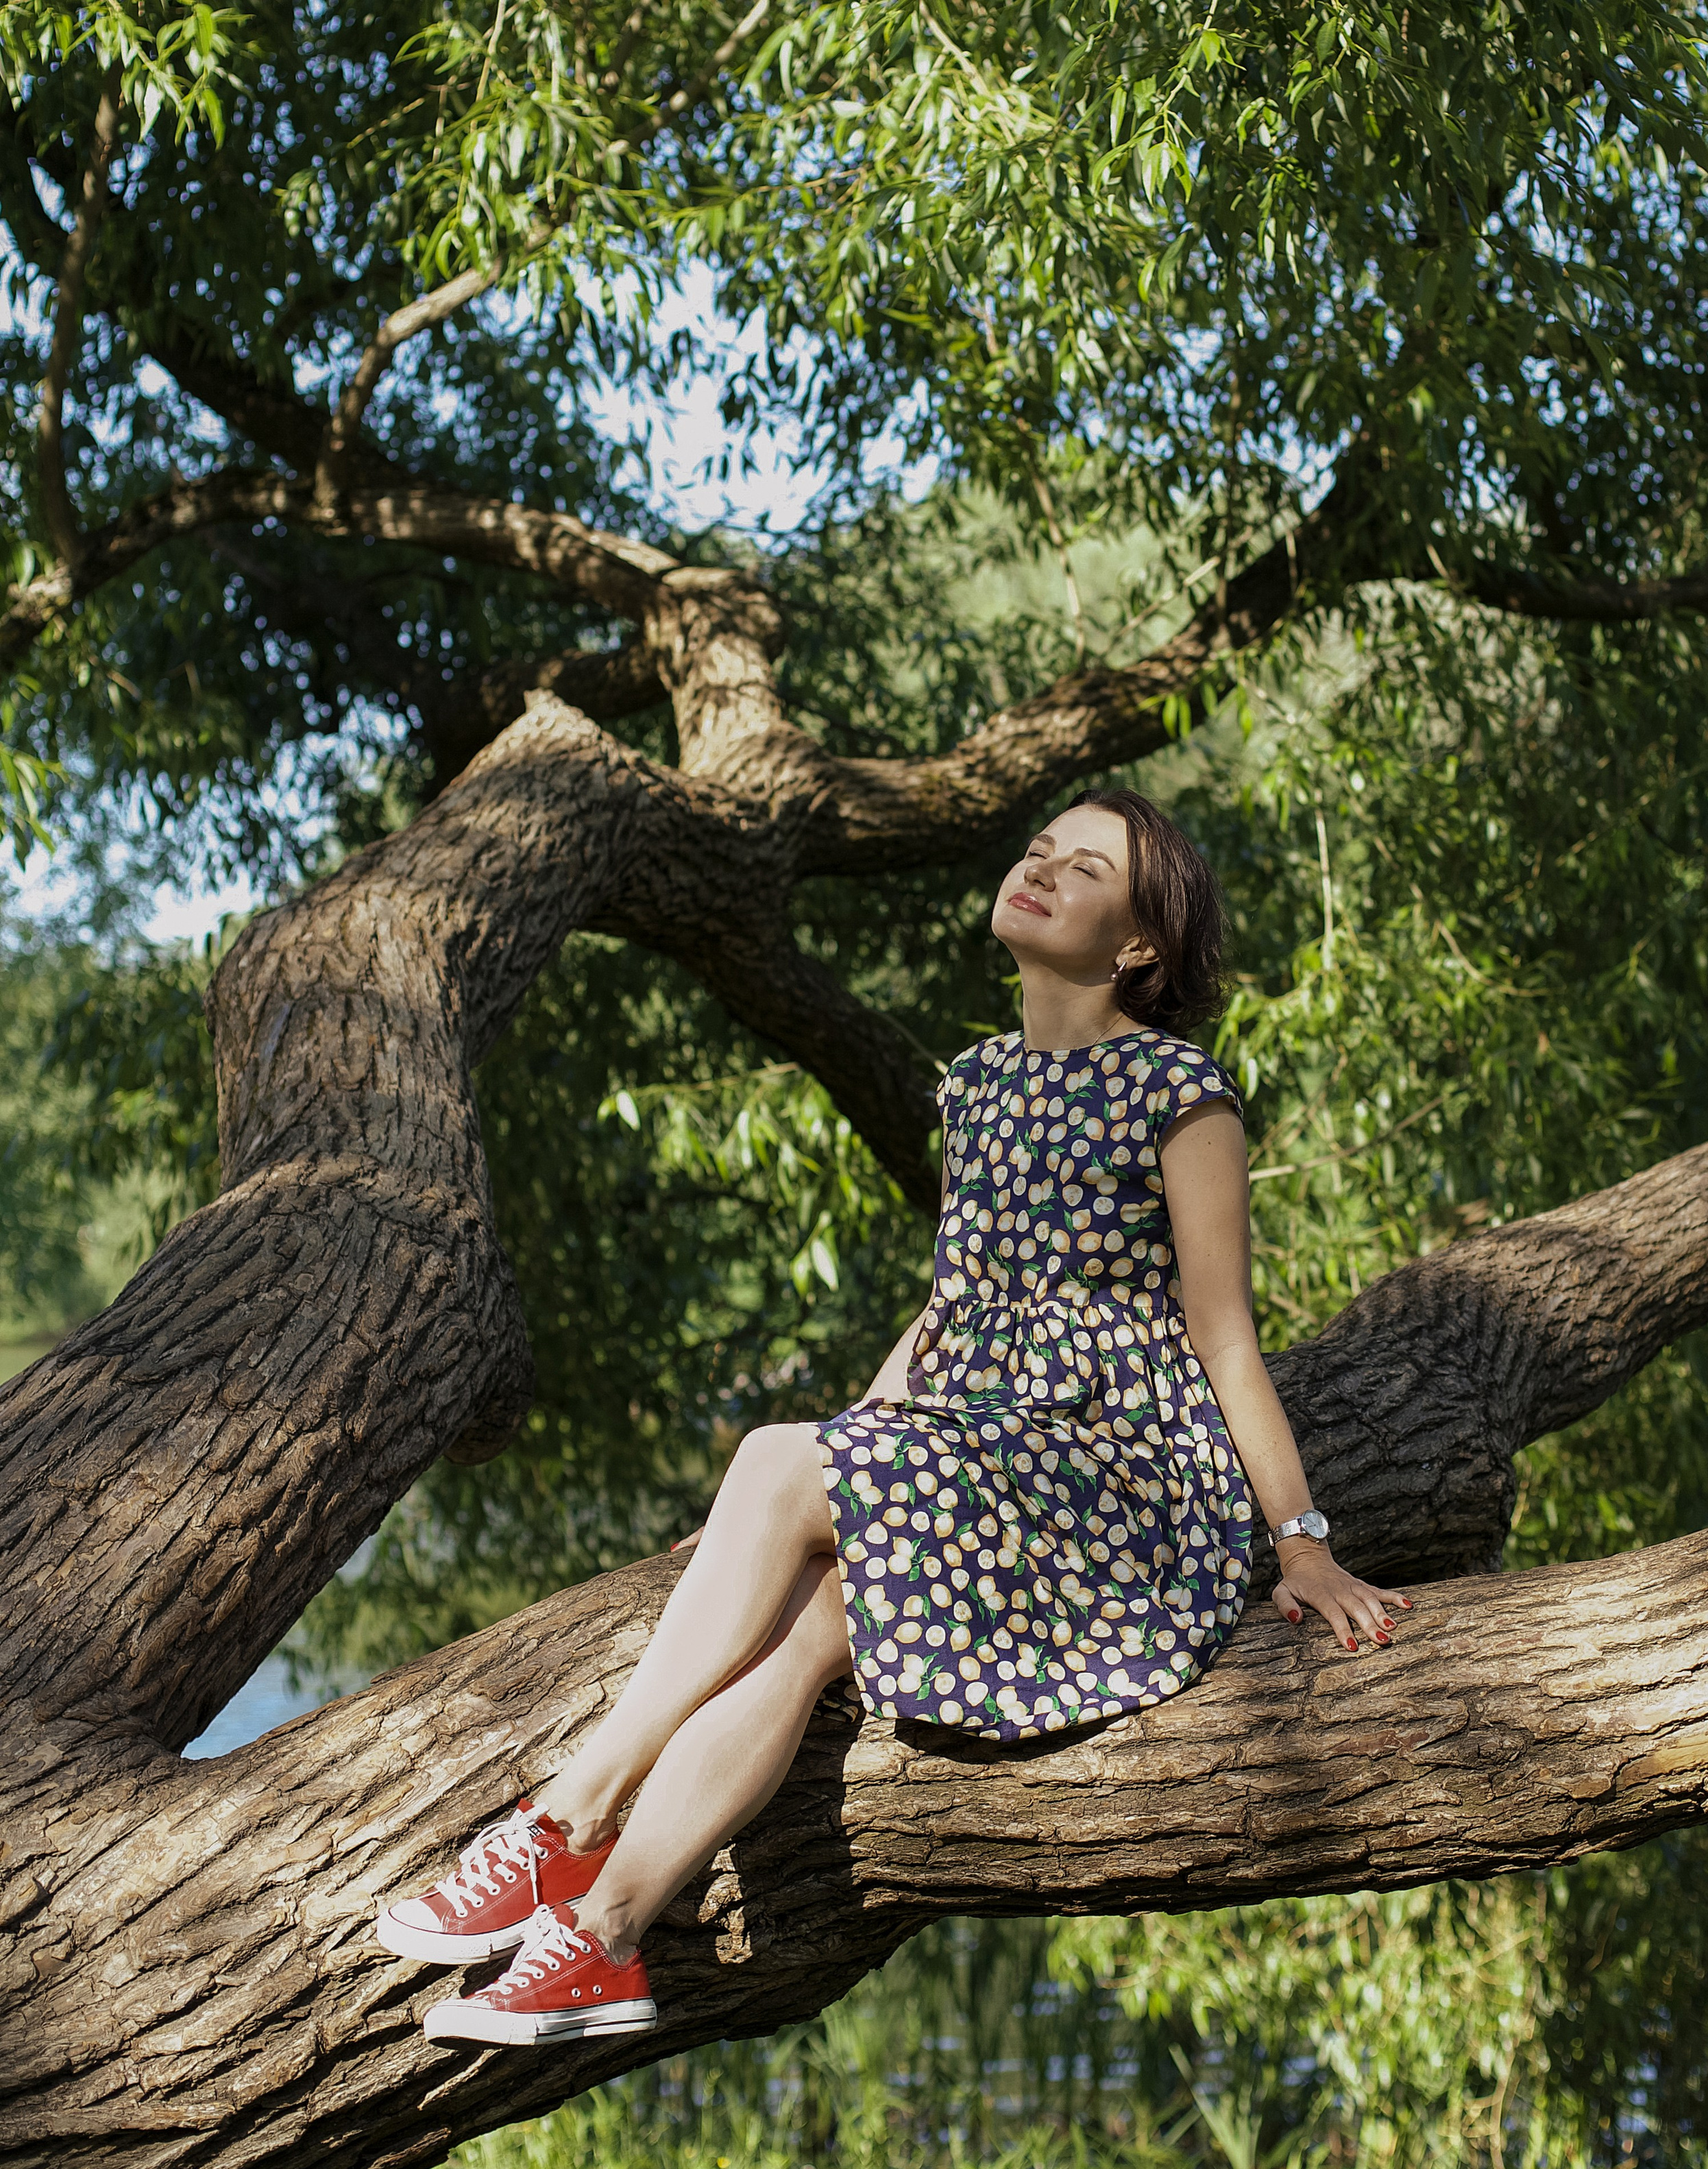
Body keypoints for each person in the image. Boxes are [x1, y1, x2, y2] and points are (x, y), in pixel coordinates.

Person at [377, 787, 1411, 2048]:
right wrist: (852, 1458)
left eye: (1083, 869)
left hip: (1120, 1484)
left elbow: (1227, 1337)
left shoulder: (1180, 1091)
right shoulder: (974, 1083)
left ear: (1138, 946)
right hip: (988, 1452)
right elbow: (952, 1308)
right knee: (811, 1619)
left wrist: (1300, 1542)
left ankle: (567, 1816)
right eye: (1039, 849)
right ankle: (604, 1942)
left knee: (774, 1459)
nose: (1039, 869)